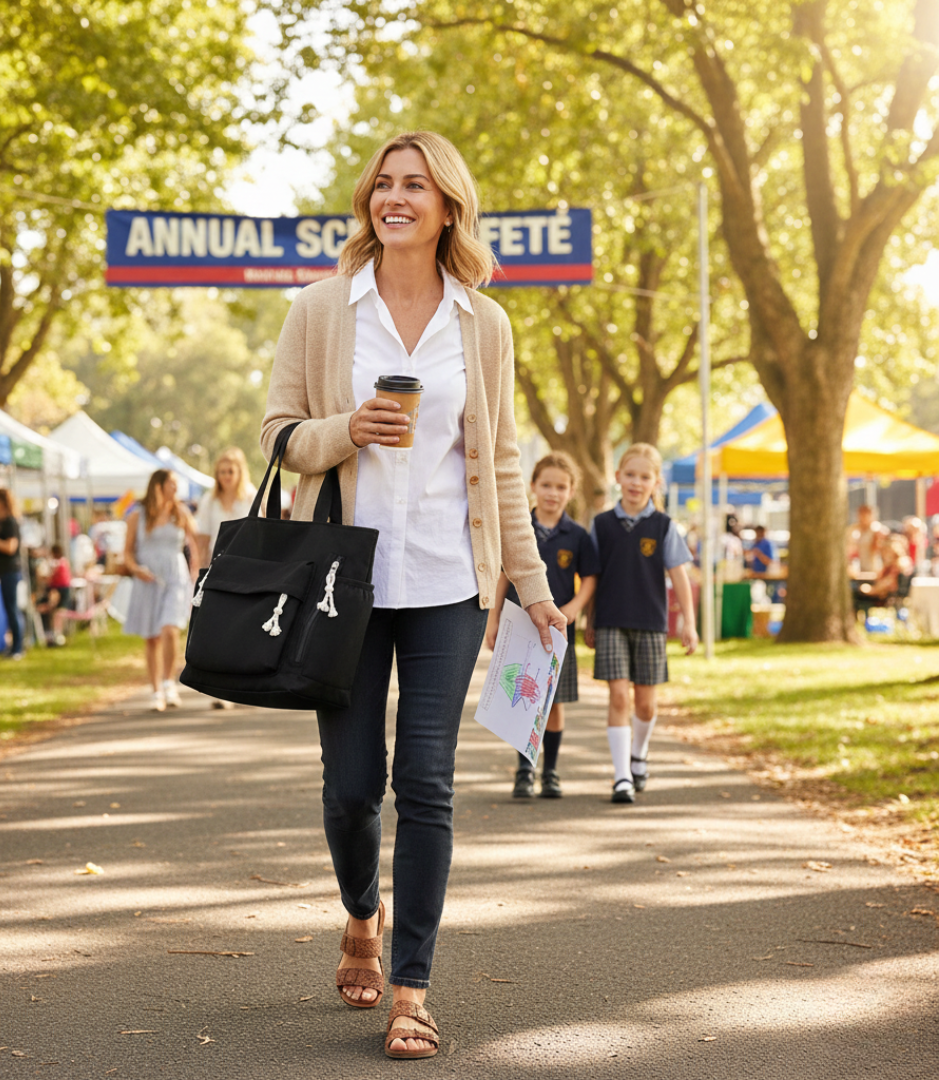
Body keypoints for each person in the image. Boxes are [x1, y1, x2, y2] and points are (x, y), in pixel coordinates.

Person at [260, 130, 563, 1061]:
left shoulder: (484, 324)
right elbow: (277, 435)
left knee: (426, 783)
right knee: (352, 788)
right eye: (383, 184)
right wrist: (345, 429)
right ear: (369, 202)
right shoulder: (321, 308)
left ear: (447, 207)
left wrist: (532, 585)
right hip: (342, 582)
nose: (395, 197)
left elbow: (500, 461)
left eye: (415, 185)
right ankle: (362, 914)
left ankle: (412, 988)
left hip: (447, 580)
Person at [586, 444, 698, 805]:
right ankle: (622, 777)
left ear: (656, 482)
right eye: (630, 475)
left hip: (651, 623)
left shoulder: (664, 526)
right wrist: (589, 619)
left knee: (646, 705)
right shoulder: (601, 524)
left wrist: (689, 623)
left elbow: (679, 577)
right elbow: (592, 577)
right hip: (611, 621)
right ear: (618, 477)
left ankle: (639, 755)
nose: (636, 482)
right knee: (619, 696)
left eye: (644, 477)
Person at [486, 451, 598, 800]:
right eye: (546, 485)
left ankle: (550, 771)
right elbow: (502, 575)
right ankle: (524, 770)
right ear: (532, 486)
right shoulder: (519, 530)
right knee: (523, 699)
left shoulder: (577, 535)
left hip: (558, 632)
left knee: (553, 702)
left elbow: (590, 577)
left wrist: (575, 608)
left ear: (571, 491)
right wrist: (493, 618)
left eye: (561, 487)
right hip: (520, 627)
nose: (553, 492)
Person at [122, 469, 198, 711]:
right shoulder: (138, 516)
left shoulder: (181, 512)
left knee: (170, 628)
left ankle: (169, 683)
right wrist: (137, 569)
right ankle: (156, 691)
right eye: (172, 483)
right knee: (152, 637)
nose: (176, 488)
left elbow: (196, 542)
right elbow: (127, 552)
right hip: (148, 579)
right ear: (159, 485)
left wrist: (197, 571)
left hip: (176, 576)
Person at [194, 447, 254, 565]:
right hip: (217, 562)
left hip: (245, 561)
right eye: (222, 472)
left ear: (239, 473)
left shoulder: (251, 497)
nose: (227, 476)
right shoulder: (209, 500)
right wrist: (202, 566)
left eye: (231, 471)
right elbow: (204, 538)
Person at [0, 488, 26, 659]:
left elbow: (10, 547)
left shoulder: (10, 522)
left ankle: (18, 648)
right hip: (2, 570)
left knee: (12, 608)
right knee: (8, 609)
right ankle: (13, 646)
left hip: (10, 570)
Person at [35, 544, 72, 646]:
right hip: (63, 589)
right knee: (58, 613)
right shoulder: (64, 562)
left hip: (58, 589)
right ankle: (56, 635)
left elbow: (51, 577)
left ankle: (55, 635)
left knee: (56, 613)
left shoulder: (57, 563)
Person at [847, 504, 887, 573]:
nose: (863, 517)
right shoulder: (853, 529)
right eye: (861, 514)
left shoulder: (876, 528)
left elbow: (879, 547)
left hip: (873, 568)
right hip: (857, 569)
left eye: (866, 514)